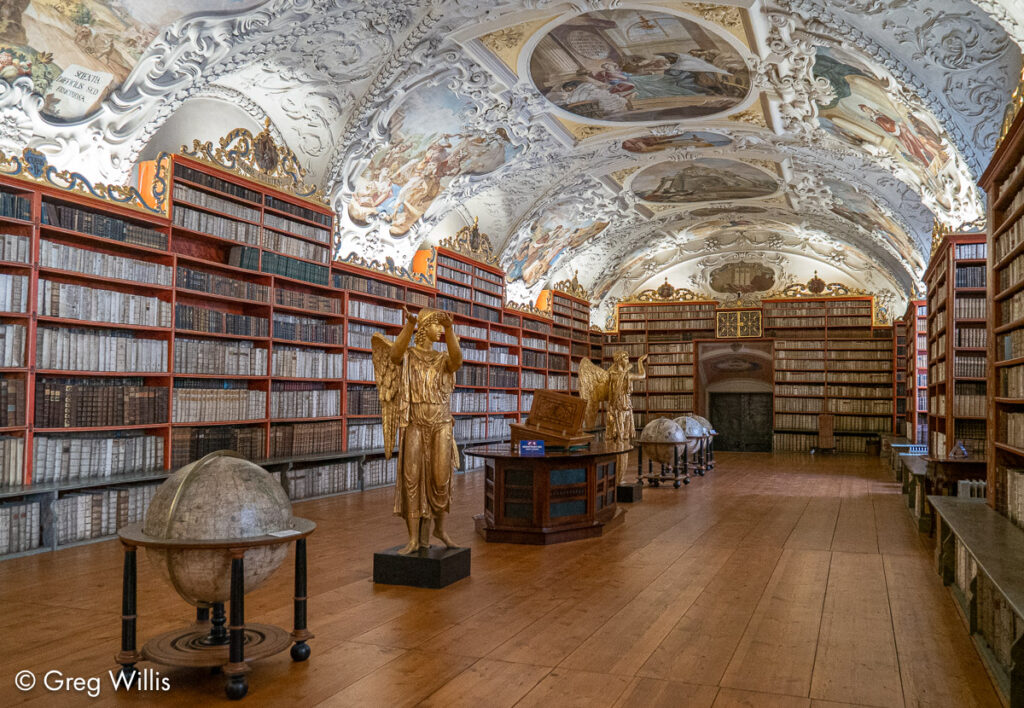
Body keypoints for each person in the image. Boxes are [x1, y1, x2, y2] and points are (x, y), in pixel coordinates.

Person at [372, 306, 463, 555]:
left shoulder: (443, 358)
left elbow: (457, 360)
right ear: (424, 329)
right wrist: (409, 325)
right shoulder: (409, 355)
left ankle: (440, 529)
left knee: (440, 477)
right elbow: (394, 355)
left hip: (441, 422)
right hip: (414, 422)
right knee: (411, 479)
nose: (439, 332)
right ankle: (413, 538)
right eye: (435, 326)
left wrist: (449, 326)